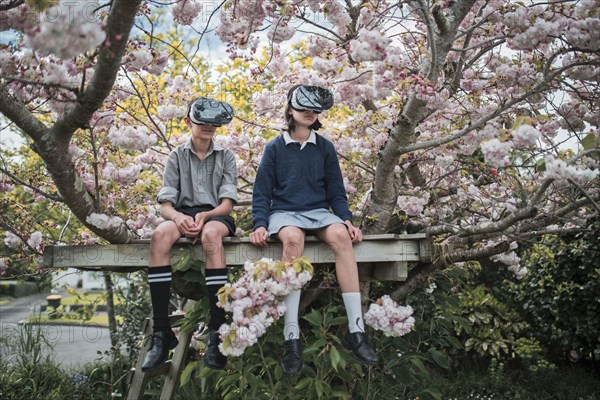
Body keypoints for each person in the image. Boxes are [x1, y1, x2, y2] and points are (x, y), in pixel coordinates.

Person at [249, 85, 378, 376]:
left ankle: (356, 330)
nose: (308, 113)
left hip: (318, 213)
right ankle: (291, 336)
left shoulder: (325, 147)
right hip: (284, 214)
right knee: (293, 240)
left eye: (314, 110)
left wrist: (345, 219)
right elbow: (261, 192)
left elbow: (336, 191)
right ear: (290, 111)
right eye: (303, 108)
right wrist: (259, 223)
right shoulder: (274, 147)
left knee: (342, 238)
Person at [142, 96, 238, 371]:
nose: (208, 127)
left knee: (210, 235)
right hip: (183, 213)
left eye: (213, 123)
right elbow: (165, 204)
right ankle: (161, 333)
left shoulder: (226, 155)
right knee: (160, 236)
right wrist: (178, 217)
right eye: (202, 121)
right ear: (188, 122)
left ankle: (216, 331)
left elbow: (228, 202)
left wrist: (207, 215)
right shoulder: (176, 156)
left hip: (216, 215)